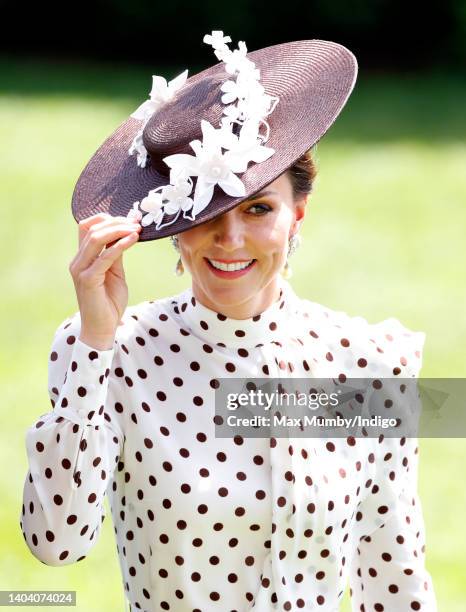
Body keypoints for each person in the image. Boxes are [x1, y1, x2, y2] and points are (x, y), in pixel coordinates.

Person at [20, 31, 437, 611]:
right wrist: (95, 343)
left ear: (297, 215)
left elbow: (395, 580)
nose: (230, 240)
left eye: (259, 208)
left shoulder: (367, 362)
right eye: (208, 212)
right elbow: (55, 542)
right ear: (170, 221)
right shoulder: (114, 352)